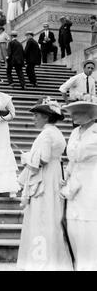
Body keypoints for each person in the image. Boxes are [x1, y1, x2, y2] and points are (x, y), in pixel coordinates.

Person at [17, 97, 73, 271]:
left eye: (37, 116)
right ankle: (53, 258)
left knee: (41, 217)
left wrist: (25, 157)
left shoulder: (47, 134)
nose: (34, 119)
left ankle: (40, 261)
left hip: (46, 179)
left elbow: (42, 159)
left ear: (46, 117)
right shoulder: (56, 132)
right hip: (53, 176)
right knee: (50, 216)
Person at [60, 99, 97, 270]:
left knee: (89, 229)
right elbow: (72, 158)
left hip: (91, 182)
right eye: (72, 112)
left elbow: (82, 154)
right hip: (74, 183)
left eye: (78, 112)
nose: (73, 116)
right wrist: (66, 176)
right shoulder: (75, 132)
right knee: (74, 229)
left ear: (89, 115)